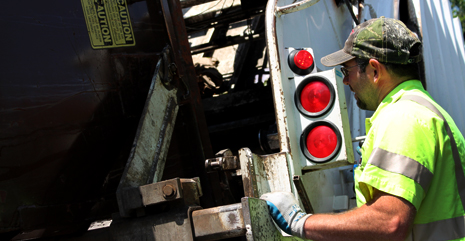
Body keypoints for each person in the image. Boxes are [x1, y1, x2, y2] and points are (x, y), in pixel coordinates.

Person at [261, 17, 465, 240]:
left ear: (374, 70)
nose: (346, 81)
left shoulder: (403, 118)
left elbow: (389, 222)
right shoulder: (420, 110)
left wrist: (299, 221)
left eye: (347, 70)